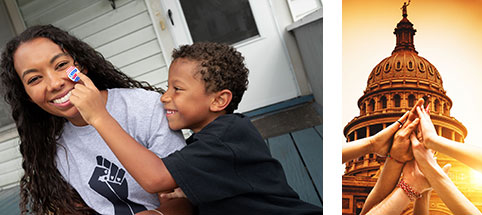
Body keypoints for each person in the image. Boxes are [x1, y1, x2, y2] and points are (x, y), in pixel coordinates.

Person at [69, 42, 323, 214]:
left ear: (218, 100)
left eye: (177, 89)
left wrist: (100, 117)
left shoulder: (228, 134)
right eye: (167, 88)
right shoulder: (206, 143)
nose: (164, 97)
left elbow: (155, 178)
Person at [0, 25, 191, 215]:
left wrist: (98, 117)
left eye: (60, 65)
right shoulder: (55, 147)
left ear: (81, 65)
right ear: (27, 95)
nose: (55, 83)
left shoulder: (144, 108)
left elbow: (184, 198)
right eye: (34, 79)